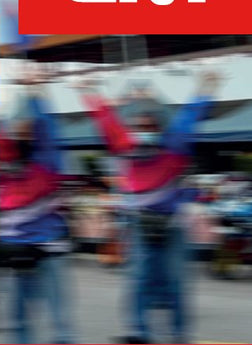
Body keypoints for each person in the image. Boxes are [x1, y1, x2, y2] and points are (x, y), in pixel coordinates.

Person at [74, 70, 219, 344]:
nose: (145, 131)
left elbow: (190, 118)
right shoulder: (126, 144)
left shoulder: (174, 144)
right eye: (139, 125)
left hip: (172, 226)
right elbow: (106, 120)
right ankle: (139, 332)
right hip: (140, 225)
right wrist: (88, 91)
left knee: (176, 283)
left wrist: (206, 89)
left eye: (150, 126)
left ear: (160, 126)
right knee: (138, 278)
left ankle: (178, 334)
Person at [1, 82, 74, 345]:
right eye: (18, 126)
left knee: (60, 321)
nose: (23, 131)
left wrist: (37, 96)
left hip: (48, 247)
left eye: (29, 126)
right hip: (17, 249)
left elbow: (49, 131)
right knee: (18, 319)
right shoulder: (10, 162)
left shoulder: (47, 159)